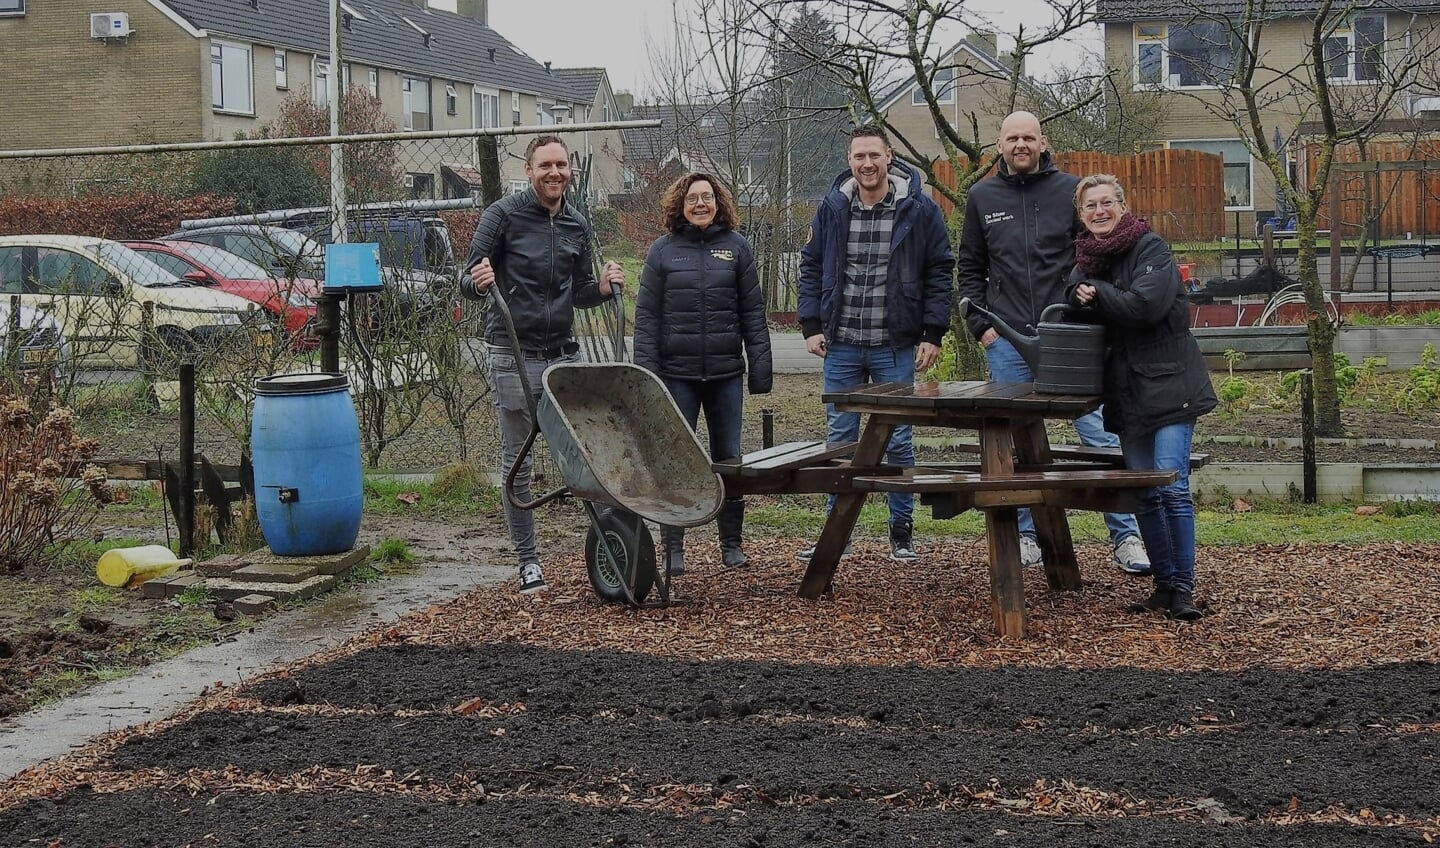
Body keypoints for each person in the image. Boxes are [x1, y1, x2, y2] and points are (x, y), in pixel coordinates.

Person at [957, 110, 1151, 575]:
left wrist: (1090, 309)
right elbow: (969, 268)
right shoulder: (981, 196)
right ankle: (1025, 534)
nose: (1020, 144)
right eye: (1011, 138)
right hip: (1006, 340)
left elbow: (1097, 252)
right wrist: (981, 328)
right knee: (1014, 441)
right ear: (999, 145)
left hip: (1070, 336)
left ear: (1043, 142)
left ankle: (1126, 536)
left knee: (1099, 435)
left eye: (1028, 137)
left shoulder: (1071, 191)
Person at [461, 134, 625, 595]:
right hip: (514, 355)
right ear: (530, 170)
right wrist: (478, 281)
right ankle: (528, 561)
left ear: (569, 170)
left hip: (564, 357)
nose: (555, 173)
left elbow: (581, 289)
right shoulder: (503, 215)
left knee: (588, 451)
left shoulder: (575, 222)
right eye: (545, 166)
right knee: (519, 461)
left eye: (562, 165)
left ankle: (609, 541)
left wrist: (606, 288)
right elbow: (466, 279)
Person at [796, 125, 954, 562]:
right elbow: (811, 266)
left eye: (874, 155)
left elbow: (940, 272)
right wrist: (811, 323)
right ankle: (835, 535)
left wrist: (932, 333)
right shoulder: (831, 208)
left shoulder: (919, 210)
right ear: (849, 160)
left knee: (899, 439)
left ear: (889, 157)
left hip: (894, 345)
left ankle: (901, 532)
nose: (867, 164)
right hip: (842, 344)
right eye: (858, 156)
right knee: (839, 442)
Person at [1066, 173, 1217, 620]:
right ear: (1082, 215)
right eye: (1090, 206)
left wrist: (1098, 295)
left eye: (1107, 203)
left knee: (1171, 490)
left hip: (1172, 386)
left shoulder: (1152, 248)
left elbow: (1143, 307)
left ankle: (1184, 589)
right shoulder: (1087, 257)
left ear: (1123, 207)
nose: (1099, 211)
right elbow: (1069, 293)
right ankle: (1163, 586)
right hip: (1128, 392)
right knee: (1144, 494)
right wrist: (1081, 293)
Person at [634, 173, 773, 576]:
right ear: (680, 205)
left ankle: (731, 544)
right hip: (676, 376)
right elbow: (646, 319)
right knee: (674, 461)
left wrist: (760, 369)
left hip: (726, 375)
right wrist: (646, 375)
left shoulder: (737, 248)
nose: (700, 204)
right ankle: (673, 549)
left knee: (728, 460)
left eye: (707, 197)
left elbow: (752, 313)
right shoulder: (661, 253)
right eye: (693, 198)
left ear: (718, 203)